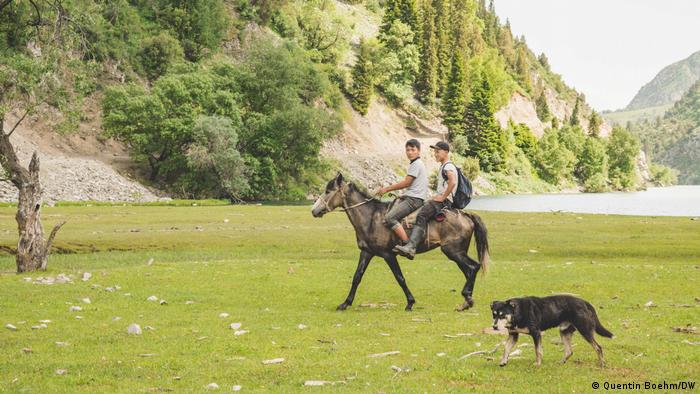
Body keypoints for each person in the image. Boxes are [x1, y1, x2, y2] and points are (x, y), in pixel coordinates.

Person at [394, 141, 457, 259]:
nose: (435, 154)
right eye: (435, 152)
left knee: (422, 215)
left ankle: (411, 246)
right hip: (442, 199)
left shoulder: (448, 166)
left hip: (444, 201)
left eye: (438, 152)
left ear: (446, 152)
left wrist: (443, 197)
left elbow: (452, 182)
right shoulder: (445, 166)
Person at [376, 139, 429, 246]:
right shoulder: (416, 164)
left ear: (418, 151)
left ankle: (406, 244)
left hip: (413, 200)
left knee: (389, 218)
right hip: (413, 197)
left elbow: (407, 183)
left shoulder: (416, 164)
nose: (409, 152)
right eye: (407, 150)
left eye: (412, 150)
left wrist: (387, 189)